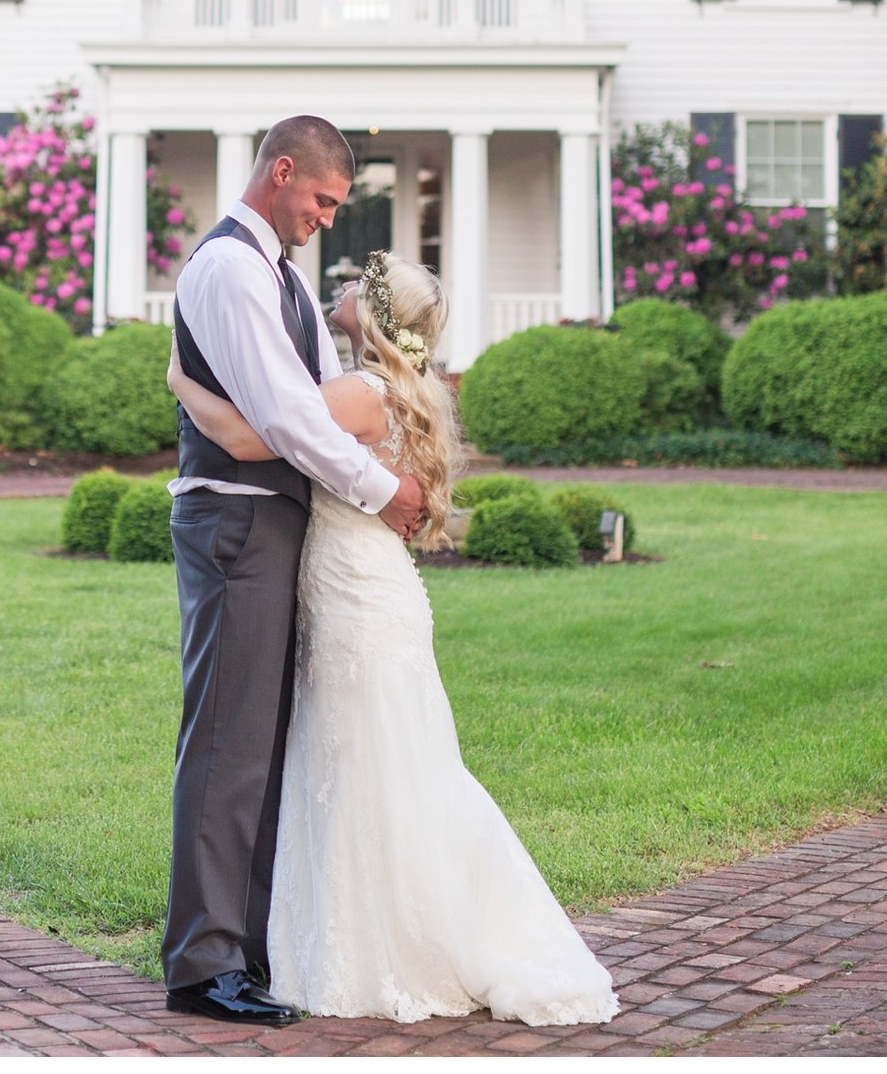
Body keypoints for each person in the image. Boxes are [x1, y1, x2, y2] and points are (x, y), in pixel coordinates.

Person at [169, 248, 624, 1028]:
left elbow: (253, 431)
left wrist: (181, 380)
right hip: (371, 591)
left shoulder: (357, 391)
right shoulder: (395, 389)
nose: (341, 288)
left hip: (356, 599)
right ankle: (357, 932)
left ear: (376, 313)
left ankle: (394, 946)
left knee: (368, 771)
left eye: (356, 286)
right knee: (385, 769)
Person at [160, 116, 428, 1028]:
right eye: (321, 199)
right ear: (281, 173)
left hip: (275, 520)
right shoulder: (232, 269)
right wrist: (383, 486)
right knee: (230, 740)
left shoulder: (280, 276)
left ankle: (251, 946)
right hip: (234, 522)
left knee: (264, 743)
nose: (326, 219)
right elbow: (291, 422)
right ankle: (203, 966)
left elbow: (303, 404)